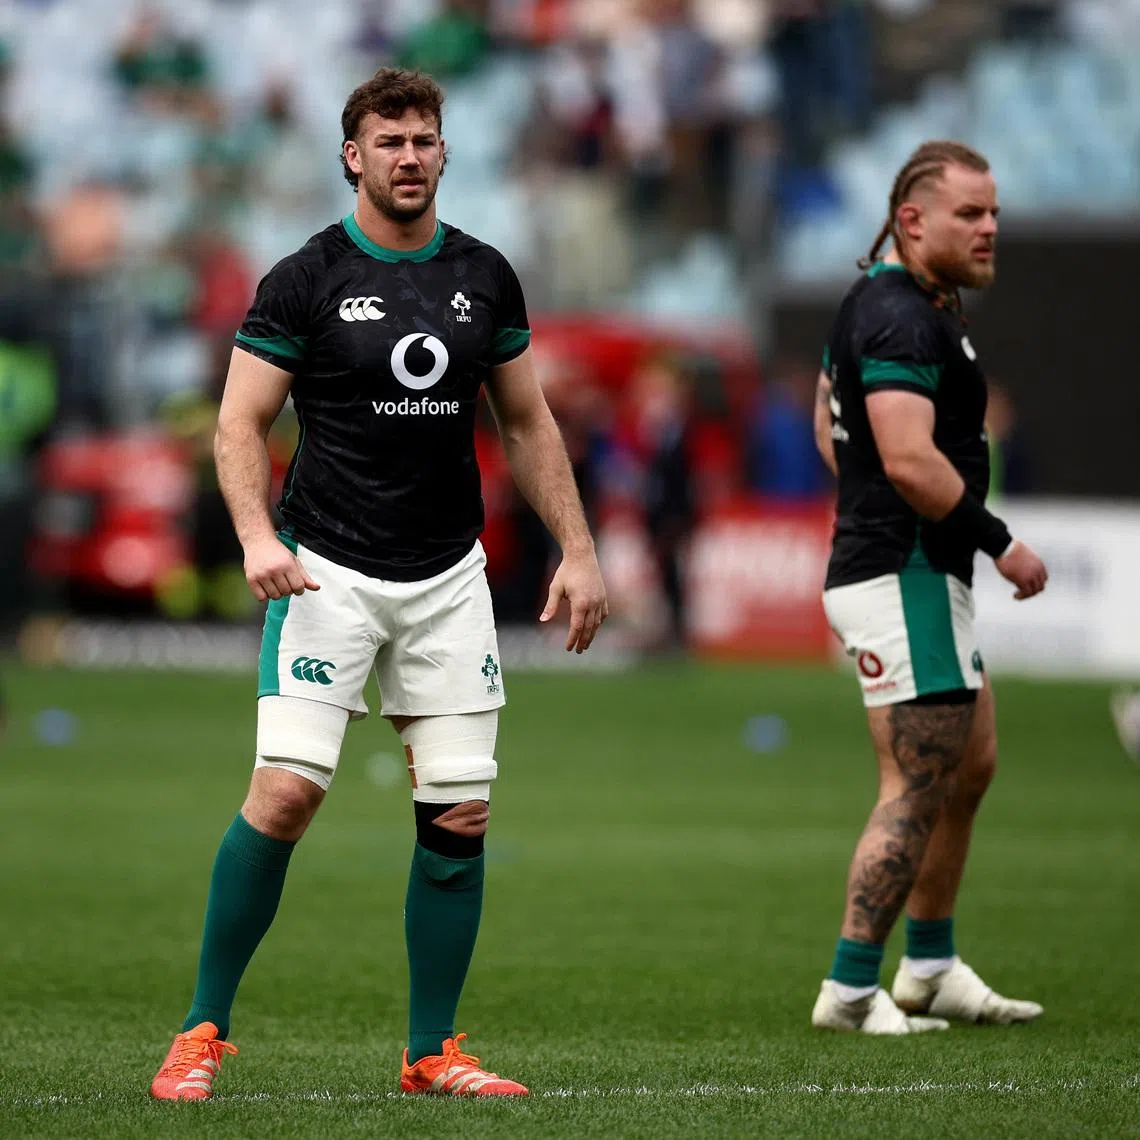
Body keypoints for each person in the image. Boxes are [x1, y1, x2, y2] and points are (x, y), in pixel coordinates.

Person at [149, 67, 607, 1100]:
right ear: (352, 156)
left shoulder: (486, 277)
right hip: (326, 574)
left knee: (459, 816)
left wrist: (578, 549)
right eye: (389, 141)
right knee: (285, 795)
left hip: (448, 577)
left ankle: (432, 1052)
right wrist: (258, 535)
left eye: (425, 140)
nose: (409, 156)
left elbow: (527, 424)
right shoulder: (303, 278)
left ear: (446, 152)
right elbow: (236, 424)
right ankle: (200, 1031)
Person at [809, 140, 1049, 1034]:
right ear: (913, 221)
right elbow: (908, 459)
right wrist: (1002, 543)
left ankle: (933, 966)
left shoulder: (891, 302)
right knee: (916, 782)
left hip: (909, 566)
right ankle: (851, 989)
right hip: (903, 570)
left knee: (967, 766)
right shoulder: (902, 315)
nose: (990, 230)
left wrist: (864, 487)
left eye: (993, 213)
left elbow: (827, 409)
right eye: (970, 215)